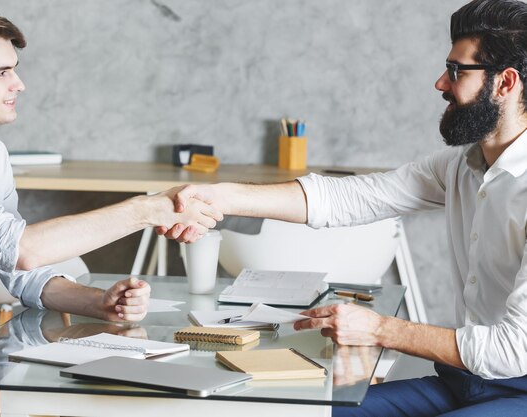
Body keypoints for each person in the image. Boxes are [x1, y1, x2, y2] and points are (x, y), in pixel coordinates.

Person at [159, 0, 527, 415]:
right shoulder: (463, 166)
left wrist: (379, 328)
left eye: (458, 70)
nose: (441, 83)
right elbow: (349, 198)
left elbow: (513, 351)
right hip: (462, 381)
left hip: (518, 389)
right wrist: (221, 197)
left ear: (505, 83)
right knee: (315, 412)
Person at [0, 2, 221, 416]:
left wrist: (96, 301)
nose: (19, 84)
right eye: (2, 73)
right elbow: (21, 248)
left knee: (79, 401)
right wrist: (147, 210)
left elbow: (17, 268)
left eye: (14, 69)